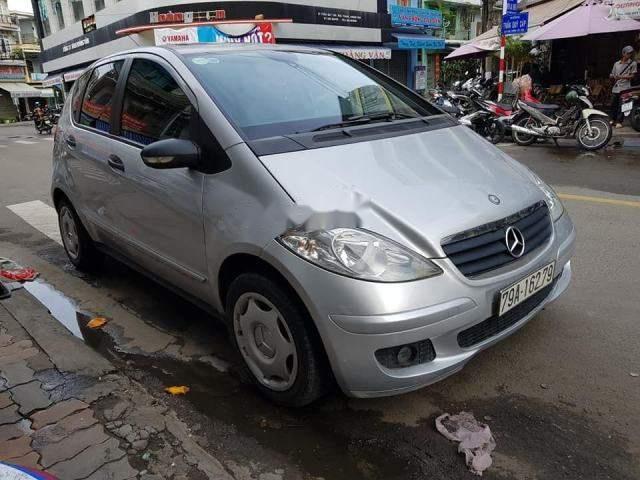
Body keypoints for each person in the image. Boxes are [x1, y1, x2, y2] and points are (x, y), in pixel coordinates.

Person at [610, 46, 637, 128]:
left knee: (622, 105)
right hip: (616, 87)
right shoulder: (616, 63)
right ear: (623, 53)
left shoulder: (633, 63)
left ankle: (619, 121)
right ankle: (612, 119)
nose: (629, 55)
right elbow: (612, 74)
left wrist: (621, 77)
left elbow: (632, 76)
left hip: (625, 87)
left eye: (630, 53)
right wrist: (612, 76)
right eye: (628, 53)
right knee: (613, 104)